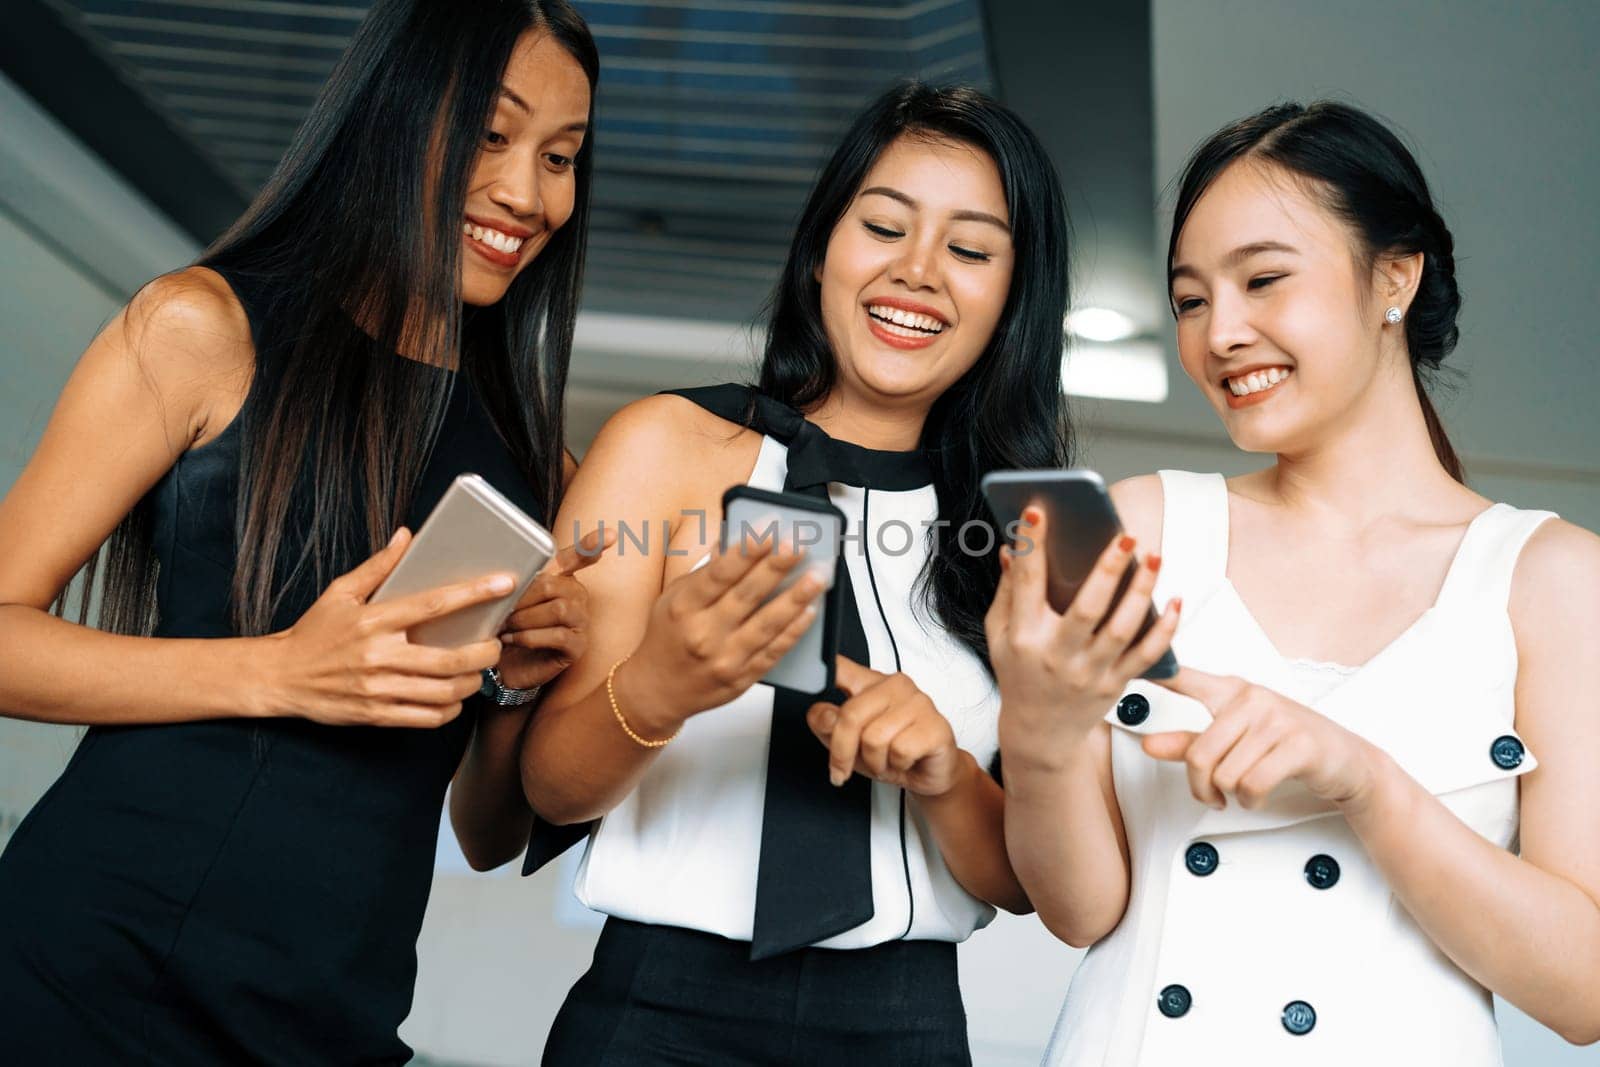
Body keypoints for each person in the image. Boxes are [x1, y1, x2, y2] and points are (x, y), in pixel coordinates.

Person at [0, 2, 603, 1061]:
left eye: (561, 156)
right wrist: (280, 672)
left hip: (334, 1005)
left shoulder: (538, 459)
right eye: (491, 134)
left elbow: (488, 826)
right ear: (392, 116)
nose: (526, 191)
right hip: (98, 963)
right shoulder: (201, 326)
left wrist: (514, 674)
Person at [990, 100, 1600, 1065]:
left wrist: (1364, 783)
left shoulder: (1556, 578)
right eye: (1190, 300)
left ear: (1394, 277)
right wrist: (1035, 730)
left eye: (1263, 279)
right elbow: (1080, 910)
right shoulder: (1141, 523)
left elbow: (1583, 990)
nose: (1220, 333)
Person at [516, 82, 1071, 1064]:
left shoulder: (1035, 527)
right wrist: (660, 682)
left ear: (1014, 297)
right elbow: (550, 789)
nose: (918, 272)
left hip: (906, 1021)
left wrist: (944, 778)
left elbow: (1030, 881)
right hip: (656, 1013)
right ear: (823, 246)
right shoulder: (664, 446)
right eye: (884, 226)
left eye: (971, 249)